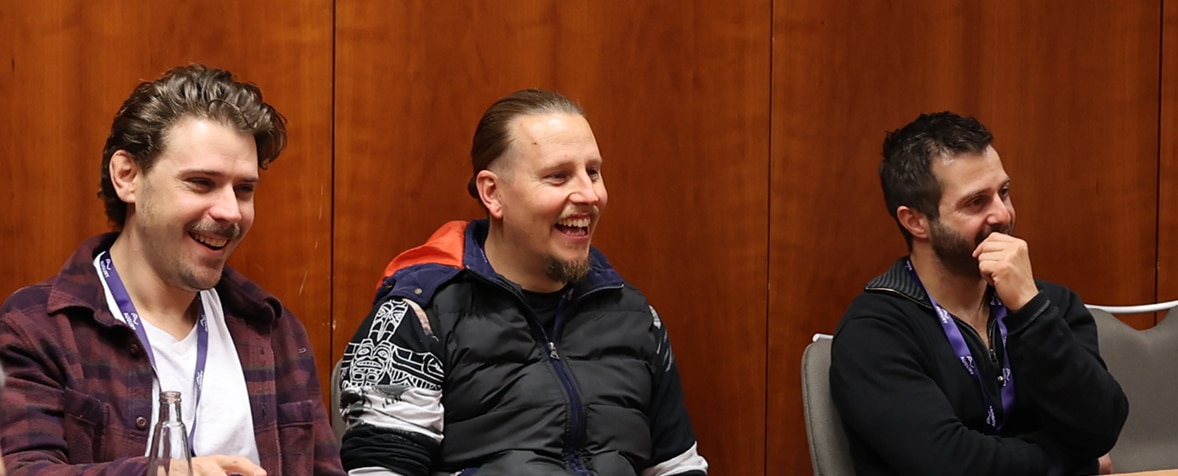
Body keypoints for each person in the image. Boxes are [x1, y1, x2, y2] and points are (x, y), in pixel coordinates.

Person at [336, 89, 708, 476]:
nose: (590, 194)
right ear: (493, 193)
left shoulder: (634, 316)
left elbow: (677, 467)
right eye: (558, 176)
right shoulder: (417, 314)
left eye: (593, 172)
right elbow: (381, 471)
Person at [0, 64, 344, 475]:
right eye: (201, 182)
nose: (231, 211)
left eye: (244, 189)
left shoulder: (273, 330)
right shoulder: (37, 329)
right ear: (127, 176)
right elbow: (25, 470)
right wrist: (171, 472)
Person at [829, 111, 1129, 476]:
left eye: (1003, 192)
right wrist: (1074, 464)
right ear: (915, 221)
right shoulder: (874, 332)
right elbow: (950, 464)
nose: (1002, 215)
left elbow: (1100, 428)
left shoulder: (1049, 306)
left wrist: (1029, 311)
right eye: (976, 203)